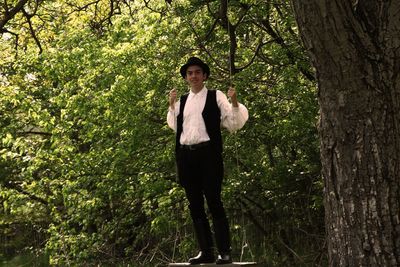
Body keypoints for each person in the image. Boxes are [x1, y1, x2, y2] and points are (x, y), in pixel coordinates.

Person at [167, 57, 248, 265]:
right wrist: (171, 106)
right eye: (190, 73)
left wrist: (235, 101)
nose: (193, 76)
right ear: (186, 77)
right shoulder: (182, 101)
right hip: (186, 156)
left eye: (197, 72)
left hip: (208, 155)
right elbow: (176, 128)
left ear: (204, 76)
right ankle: (206, 252)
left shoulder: (215, 96)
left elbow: (233, 123)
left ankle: (224, 252)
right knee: (194, 204)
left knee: (213, 200)